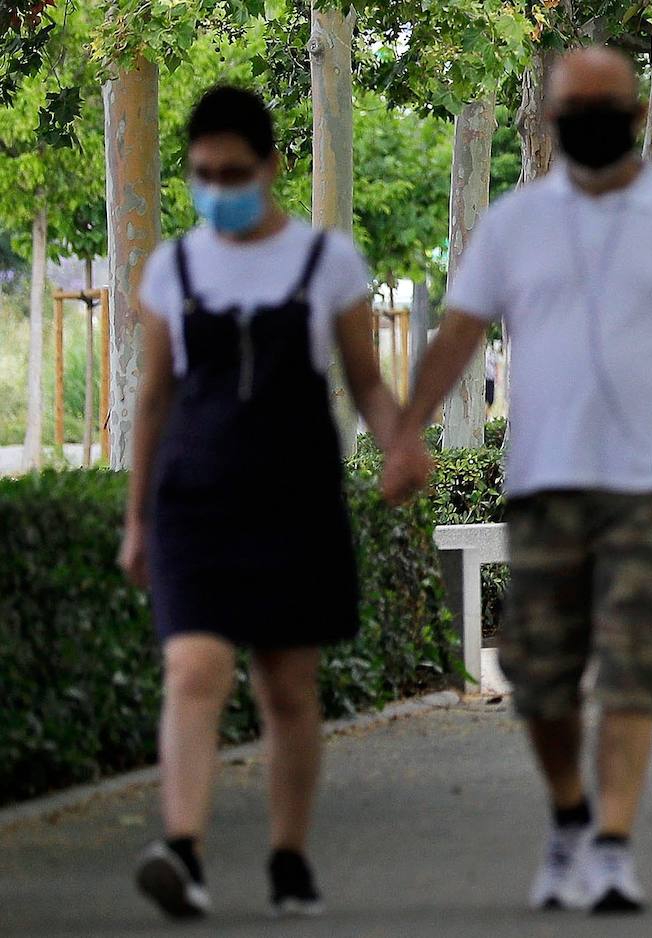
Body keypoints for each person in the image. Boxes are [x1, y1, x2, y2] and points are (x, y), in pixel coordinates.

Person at [382, 46, 652, 914]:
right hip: (544, 481)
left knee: (635, 667)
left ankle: (615, 848)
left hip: (651, 486)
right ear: (550, 124)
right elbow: (458, 333)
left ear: (636, 116)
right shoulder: (515, 223)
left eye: (604, 105)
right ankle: (569, 819)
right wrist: (405, 433)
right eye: (572, 108)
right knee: (542, 676)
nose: (587, 121)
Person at [119, 86, 399, 920]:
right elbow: (154, 401)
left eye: (233, 172)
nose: (216, 188)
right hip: (194, 502)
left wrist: (402, 443)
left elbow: (367, 384)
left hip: (295, 501)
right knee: (194, 667)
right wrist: (136, 519)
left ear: (271, 167)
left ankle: (288, 856)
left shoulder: (328, 262)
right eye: (202, 174)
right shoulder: (172, 267)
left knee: (287, 688)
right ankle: (184, 850)